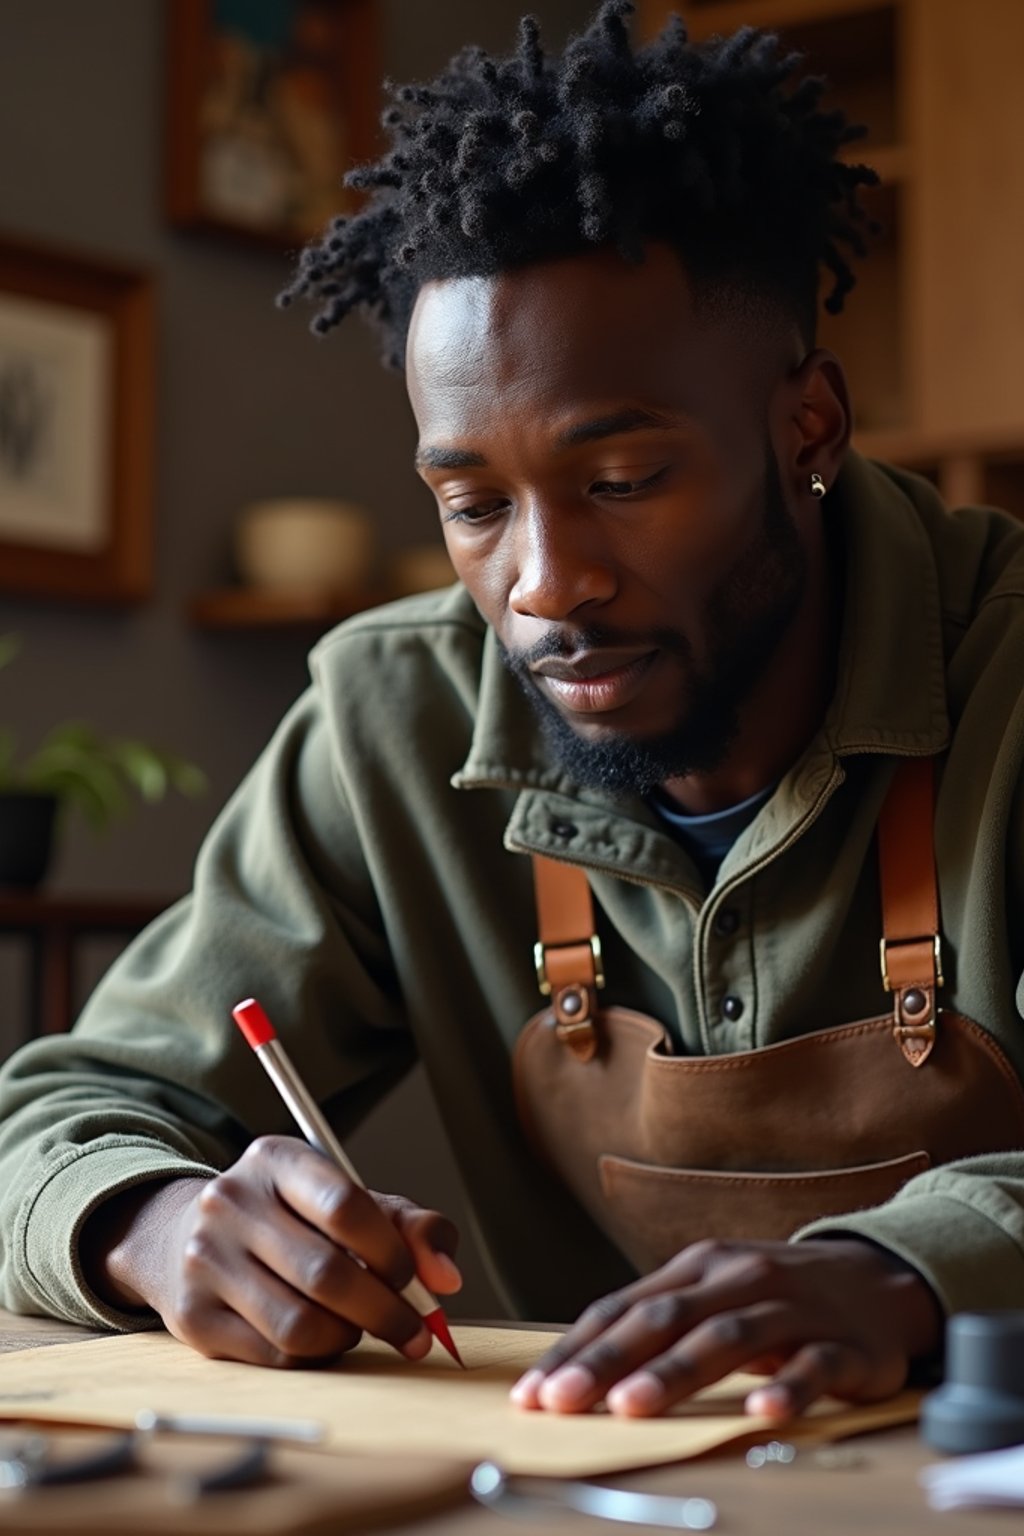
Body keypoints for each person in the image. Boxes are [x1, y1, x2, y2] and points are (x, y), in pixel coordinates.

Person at [1, 0, 1023, 1425]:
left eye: (619, 483)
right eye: (473, 505)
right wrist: (155, 1220)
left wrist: (906, 1273)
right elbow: (55, 1116)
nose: (546, 587)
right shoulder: (393, 718)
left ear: (809, 428)